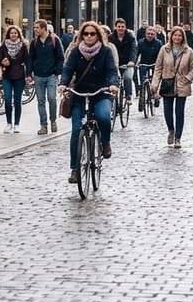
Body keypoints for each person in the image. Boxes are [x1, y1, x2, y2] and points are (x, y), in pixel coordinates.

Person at [59, 21, 119, 181]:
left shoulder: (105, 51)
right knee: (76, 131)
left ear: (98, 35)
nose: (89, 36)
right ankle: (74, 169)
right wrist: (63, 83)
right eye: (86, 34)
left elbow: (112, 71)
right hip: (80, 93)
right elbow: (67, 69)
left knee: (103, 116)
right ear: (82, 36)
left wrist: (113, 84)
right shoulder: (76, 52)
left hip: (101, 92)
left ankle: (105, 142)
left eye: (93, 33)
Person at [151, 25, 193, 148]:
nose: (177, 37)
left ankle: (178, 138)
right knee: (167, 112)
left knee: (179, 112)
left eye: (179, 35)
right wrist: (155, 84)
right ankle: (171, 130)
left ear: (183, 37)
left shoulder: (188, 51)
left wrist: (187, 79)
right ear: (171, 36)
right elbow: (158, 68)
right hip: (168, 83)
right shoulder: (164, 49)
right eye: (175, 35)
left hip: (182, 84)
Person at [28, 19, 64, 134]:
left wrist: (57, 72)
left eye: (37, 28)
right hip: (38, 76)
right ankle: (43, 125)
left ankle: (53, 121)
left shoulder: (54, 40)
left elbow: (60, 57)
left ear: (44, 28)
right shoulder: (34, 42)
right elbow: (30, 59)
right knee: (40, 101)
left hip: (51, 75)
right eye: (34, 28)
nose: (35, 30)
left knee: (52, 98)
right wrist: (29, 74)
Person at [0, 25, 30, 134]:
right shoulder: (4, 46)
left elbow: (27, 61)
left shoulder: (23, 46)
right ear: (8, 34)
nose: (13, 35)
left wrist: (28, 75)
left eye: (15, 33)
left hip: (19, 76)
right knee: (7, 99)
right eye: (11, 33)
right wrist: (3, 61)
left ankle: (16, 124)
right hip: (7, 76)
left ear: (18, 34)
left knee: (17, 100)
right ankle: (8, 123)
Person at [135, 25, 164, 110]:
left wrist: (160, 65)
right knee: (142, 81)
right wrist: (134, 62)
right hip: (144, 64)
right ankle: (142, 96)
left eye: (152, 34)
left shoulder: (158, 43)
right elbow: (136, 53)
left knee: (155, 81)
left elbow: (161, 56)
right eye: (148, 34)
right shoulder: (141, 42)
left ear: (155, 34)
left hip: (155, 64)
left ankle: (155, 94)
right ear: (145, 34)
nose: (150, 35)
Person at [111, 19, 137, 103]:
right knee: (112, 79)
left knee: (127, 77)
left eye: (122, 26)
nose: (120, 28)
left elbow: (134, 49)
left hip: (127, 63)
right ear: (115, 27)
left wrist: (132, 61)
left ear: (125, 27)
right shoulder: (110, 37)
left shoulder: (130, 37)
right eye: (119, 26)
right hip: (115, 63)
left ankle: (128, 96)